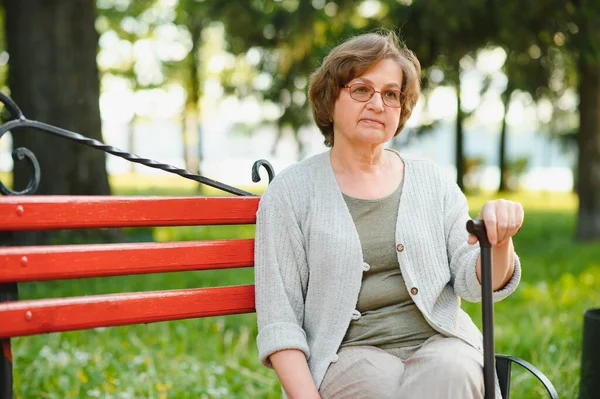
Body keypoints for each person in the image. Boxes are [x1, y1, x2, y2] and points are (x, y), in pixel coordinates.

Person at [254, 29, 523, 399]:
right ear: (331, 98)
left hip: (439, 343)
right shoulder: (290, 193)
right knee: (378, 386)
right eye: (361, 89)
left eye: (391, 94)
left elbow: (475, 281)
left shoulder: (432, 181)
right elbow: (279, 321)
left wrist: (500, 240)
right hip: (345, 358)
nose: (378, 104)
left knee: (455, 371)